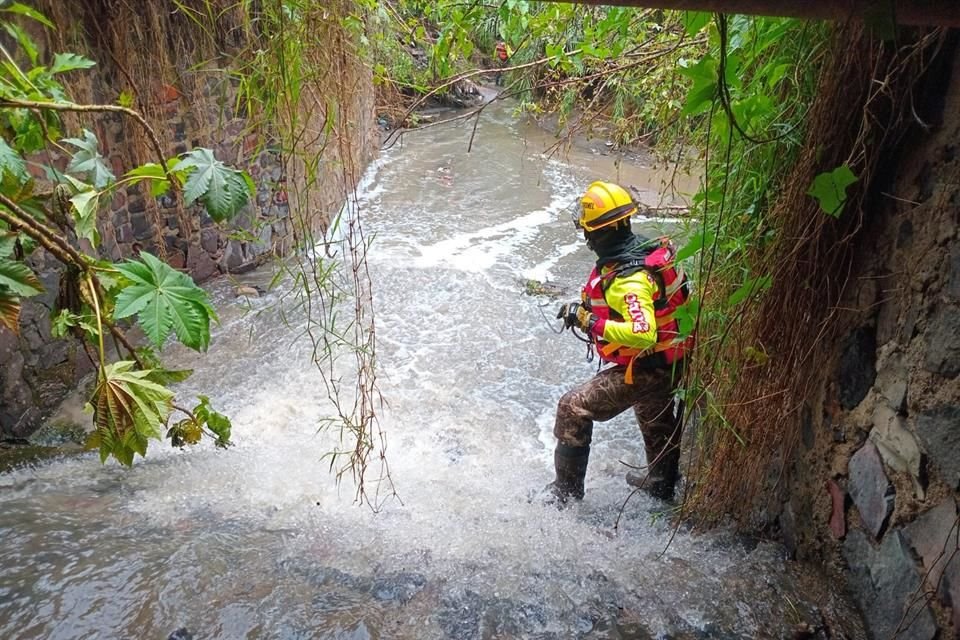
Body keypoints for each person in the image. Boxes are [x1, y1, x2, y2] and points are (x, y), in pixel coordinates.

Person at [545, 181, 691, 506]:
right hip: (670, 359)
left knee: (572, 407)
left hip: (650, 363)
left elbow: (642, 333)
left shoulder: (629, 280)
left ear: (593, 234)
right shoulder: (648, 251)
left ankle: (564, 495)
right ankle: (661, 483)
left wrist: (589, 321)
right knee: (654, 411)